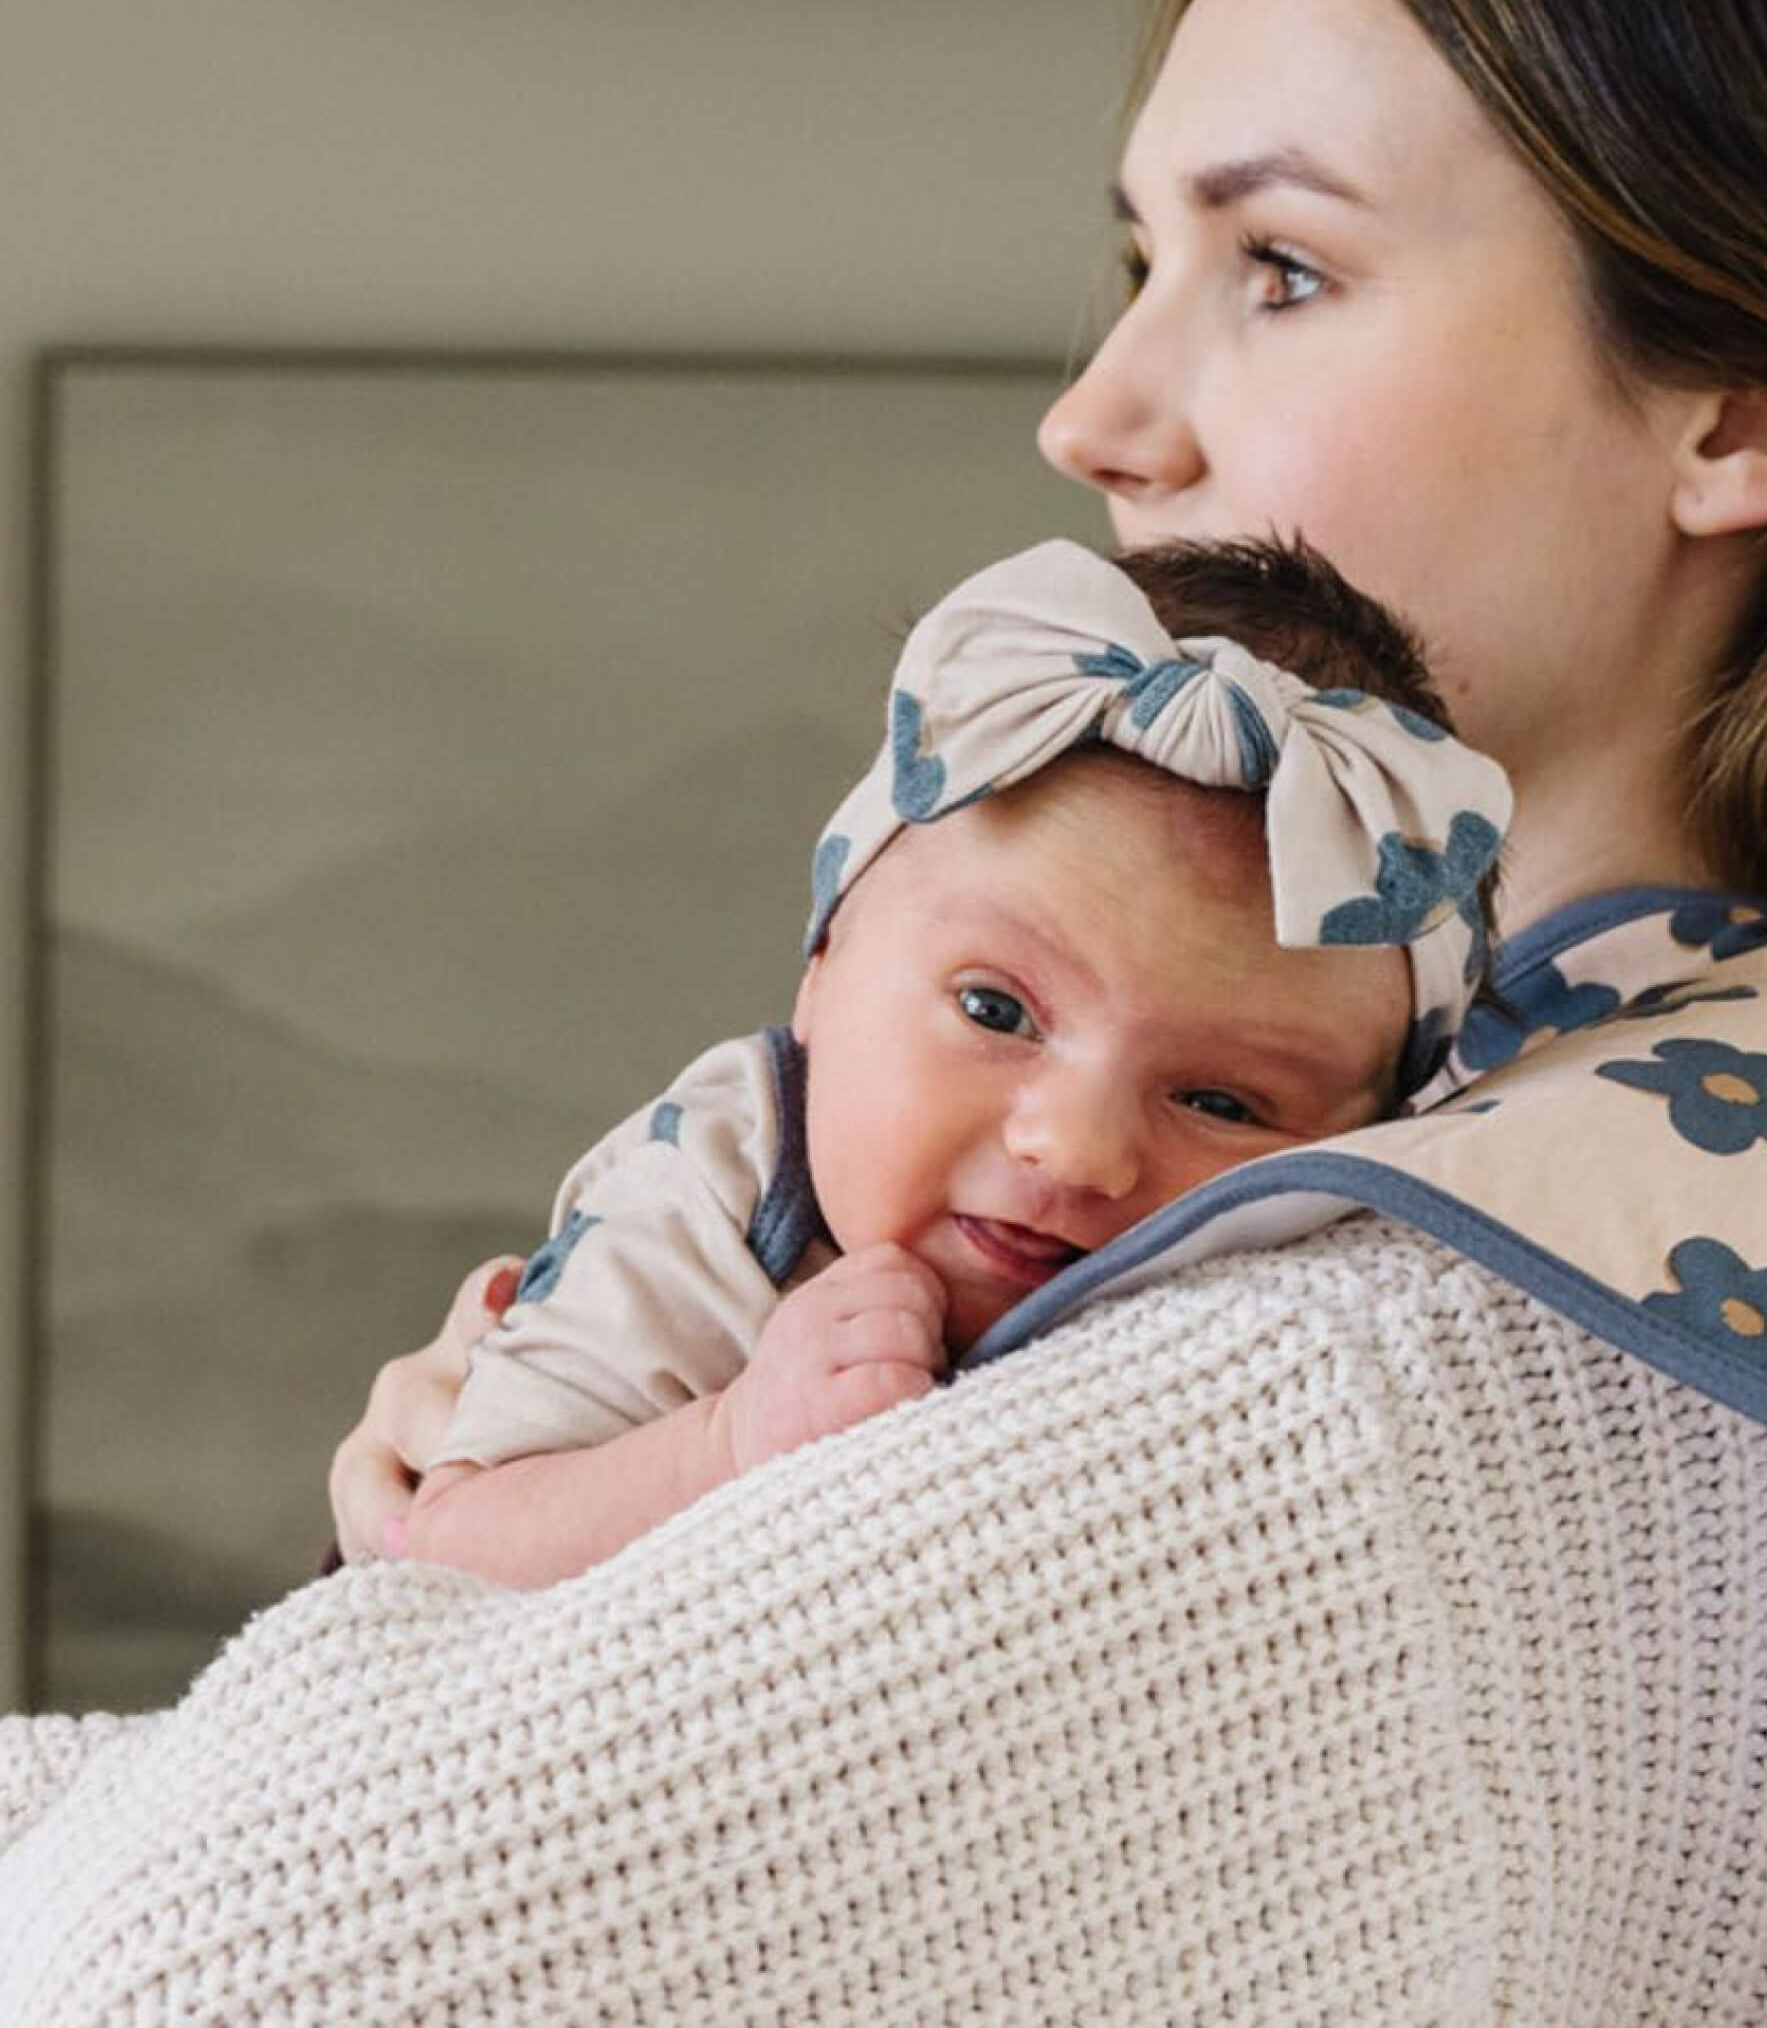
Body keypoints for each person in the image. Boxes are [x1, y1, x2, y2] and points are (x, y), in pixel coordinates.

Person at [5, 0, 1767, 2019]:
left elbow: (201, 1969)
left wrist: (419, 1630)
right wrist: (534, 1518)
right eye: (1141, 257)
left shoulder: (1387, 1354)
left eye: (1281, 266)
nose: (1091, 416)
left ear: (1747, 413)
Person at [398, 534, 1508, 1588]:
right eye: (994, 1008)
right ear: (821, 969)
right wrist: (725, 1440)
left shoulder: (1323, 1316)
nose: (1075, 1147)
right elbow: (443, 1540)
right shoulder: (711, 1188)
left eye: (1219, 1099)